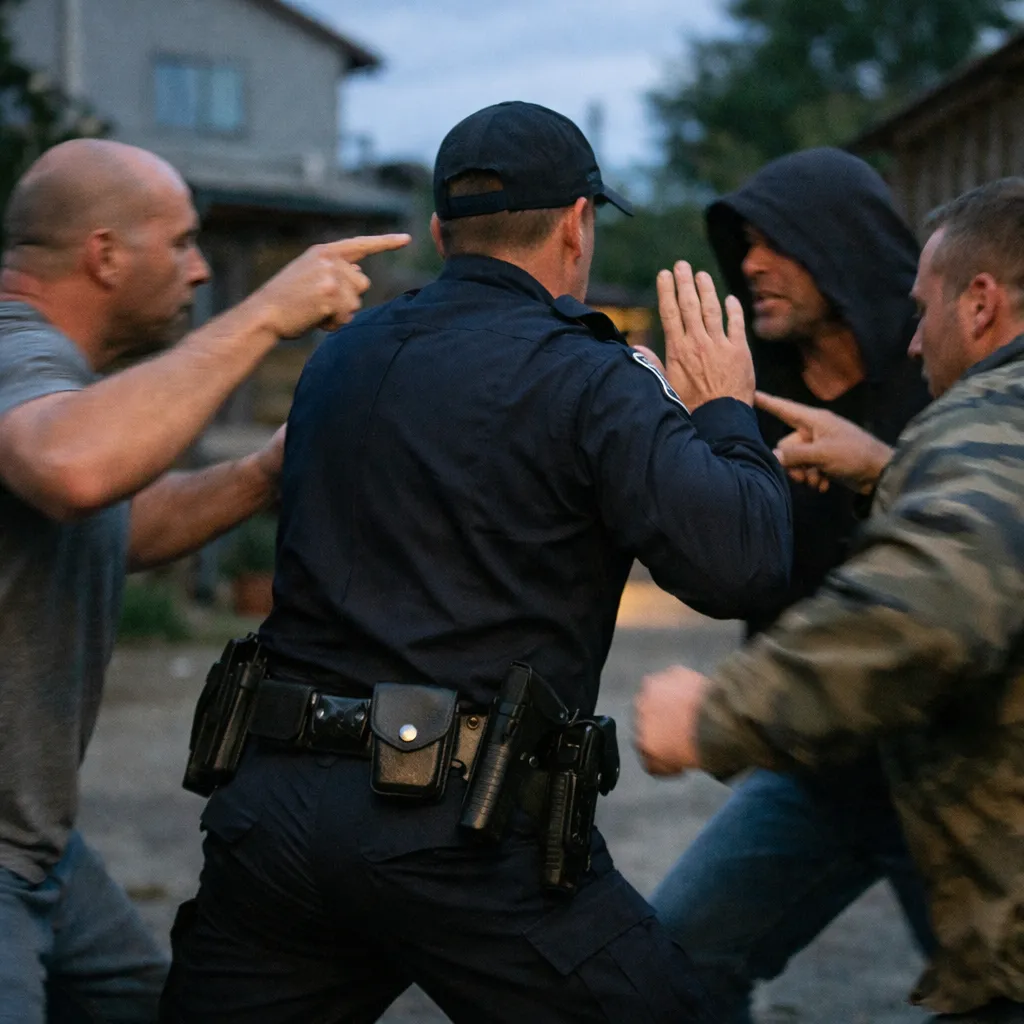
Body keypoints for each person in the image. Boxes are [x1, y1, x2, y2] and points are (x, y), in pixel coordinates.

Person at [159, 99, 793, 1024]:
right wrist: (726, 411)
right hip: (465, 828)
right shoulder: (592, 379)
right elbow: (741, 564)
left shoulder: (338, 362)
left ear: (438, 231)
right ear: (578, 226)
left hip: (276, 817)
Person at [0, 137, 409, 1024]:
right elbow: (71, 467)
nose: (196, 271)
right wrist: (264, 313)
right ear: (104, 256)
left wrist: (268, 468)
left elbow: (118, 523)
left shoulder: (48, 377)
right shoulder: (13, 352)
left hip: (39, 852)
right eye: (182, 244)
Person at [634, 175, 1024, 1023]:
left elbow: (948, 577)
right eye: (741, 248)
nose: (752, 265)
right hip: (822, 769)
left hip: (953, 768)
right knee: (671, 960)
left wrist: (714, 714)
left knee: (993, 988)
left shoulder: (952, 401)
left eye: (775, 242)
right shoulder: (747, 391)